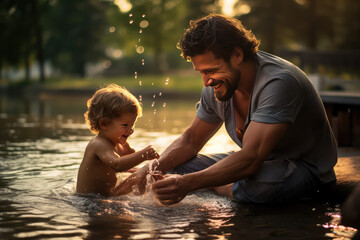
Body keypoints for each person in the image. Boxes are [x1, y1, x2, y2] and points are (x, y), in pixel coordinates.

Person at [113, 14, 338, 205]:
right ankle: (224, 184)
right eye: (200, 72)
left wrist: (189, 183)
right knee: (177, 165)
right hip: (256, 162)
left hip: (303, 170)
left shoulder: (279, 83)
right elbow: (191, 140)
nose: (205, 82)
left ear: (237, 55)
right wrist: (151, 167)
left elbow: (251, 158)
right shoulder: (218, 86)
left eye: (211, 70)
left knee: (261, 185)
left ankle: (223, 186)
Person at [76, 84, 159, 196]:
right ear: (104, 124)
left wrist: (150, 171)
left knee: (143, 178)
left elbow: (129, 165)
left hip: (105, 197)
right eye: (125, 125)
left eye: (132, 124)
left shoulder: (121, 145)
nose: (131, 130)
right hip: (89, 200)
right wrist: (143, 155)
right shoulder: (98, 144)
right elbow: (117, 165)